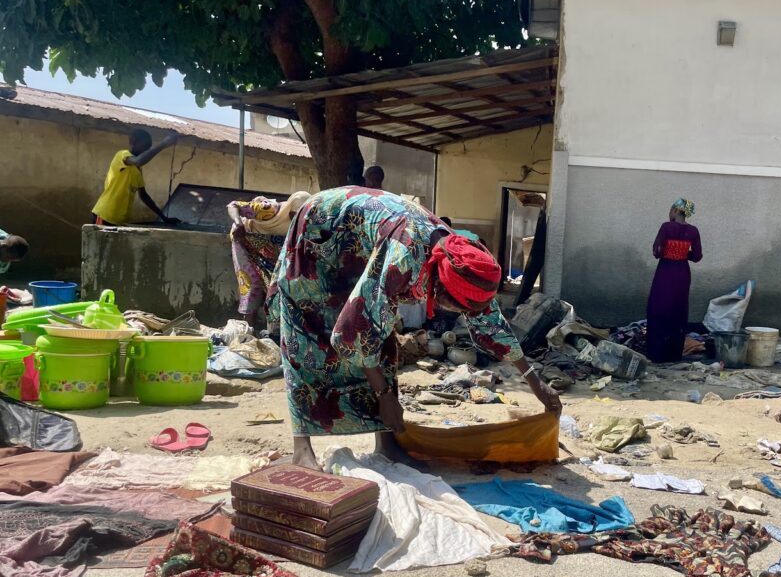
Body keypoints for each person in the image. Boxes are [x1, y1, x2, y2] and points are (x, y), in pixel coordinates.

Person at [269, 187, 562, 471]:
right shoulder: (403, 258)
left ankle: (387, 443)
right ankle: (302, 450)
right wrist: (384, 396)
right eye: (458, 308)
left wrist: (534, 381)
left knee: (383, 342)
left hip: (361, 240)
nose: (463, 315)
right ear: (439, 288)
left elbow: (491, 323)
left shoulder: (461, 260)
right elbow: (358, 331)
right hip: (319, 234)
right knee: (306, 337)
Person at [227, 191, 311, 327]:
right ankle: (247, 330)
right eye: (296, 214)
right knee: (252, 282)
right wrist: (238, 224)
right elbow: (233, 205)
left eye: (301, 215)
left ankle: (276, 331)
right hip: (245, 238)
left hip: (272, 243)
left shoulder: (306, 221)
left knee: (278, 282)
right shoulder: (270, 209)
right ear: (291, 207)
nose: (298, 218)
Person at [645, 198, 703, 363]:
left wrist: (668, 253)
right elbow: (697, 256)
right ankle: (673, 353)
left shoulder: (666, 227)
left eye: (671, 209)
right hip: (682, 274)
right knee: (678, 310)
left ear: (676, 211)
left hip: (665, 272)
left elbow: (657, 250)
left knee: (659, 308)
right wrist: (684, 254)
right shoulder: (693, 231)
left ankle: (656, 352)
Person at [91, 128, 180, 226]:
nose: (146, 151)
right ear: (133, 141)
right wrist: (163, 144)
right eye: (145, 147)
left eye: (148, 148)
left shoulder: (137, 169)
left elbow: (144, 196)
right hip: (105, 215)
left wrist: (163, 218)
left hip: (120, 220)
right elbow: (138, 160)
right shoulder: (122, 155)